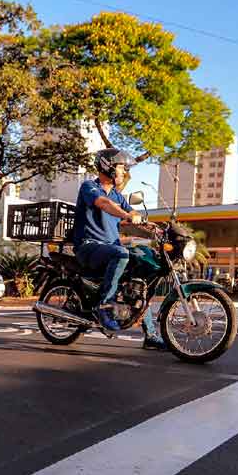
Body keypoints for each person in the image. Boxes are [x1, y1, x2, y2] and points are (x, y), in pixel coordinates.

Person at [73, 148, 166, 350]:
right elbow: (104, 204)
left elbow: (131, 211)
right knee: (122, 252)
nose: (123, 173)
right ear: (108, 167)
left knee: (141, 275)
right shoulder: (90, 187)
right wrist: (126, 215)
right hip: (88, 246)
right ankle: (104, 306)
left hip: (110, 248)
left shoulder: (117, 194)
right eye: (121, 168)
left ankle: (150, 335)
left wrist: (152, 226)